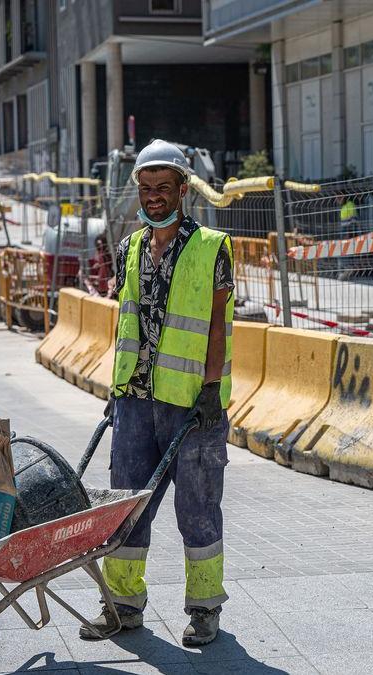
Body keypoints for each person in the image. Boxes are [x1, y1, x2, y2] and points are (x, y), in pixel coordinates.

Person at [81, 139, 235, 648]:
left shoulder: (212, 247)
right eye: (146, 190)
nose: (153, 198)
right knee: (125, 507)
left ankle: (205, 609)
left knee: (198, 507)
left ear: (183, 189)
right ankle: (122, 605)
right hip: (135, 402)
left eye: (162, 188)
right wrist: (117, 387)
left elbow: (216, 326)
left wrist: (211, 388)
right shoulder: (128, 248)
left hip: (193, 405)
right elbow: (127, 325)